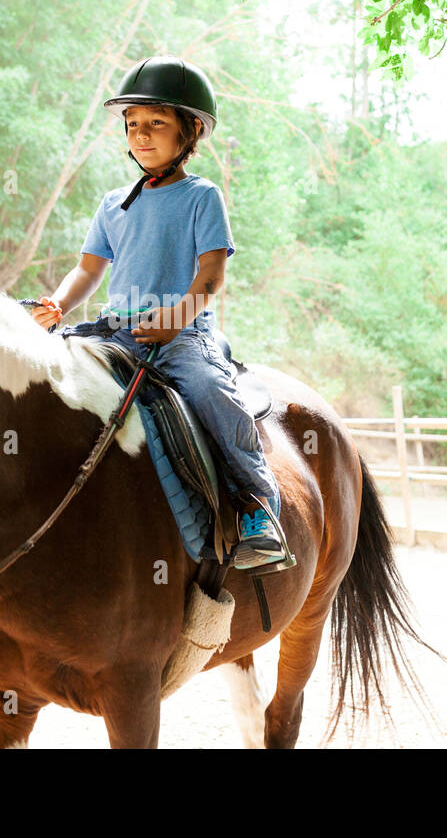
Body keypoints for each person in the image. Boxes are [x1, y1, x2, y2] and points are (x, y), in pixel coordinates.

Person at [29, 55, 287, 570]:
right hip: (115, 331)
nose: (140, 135)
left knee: (212, 393)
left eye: (155, 124)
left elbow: (211, 274)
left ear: (189, 132)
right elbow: (87, 271)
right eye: (132, 125)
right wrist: (58, 303)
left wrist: (176, 317)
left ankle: (259, 507)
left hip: (181, 335)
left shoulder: (201, 196)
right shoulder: (112, 205)